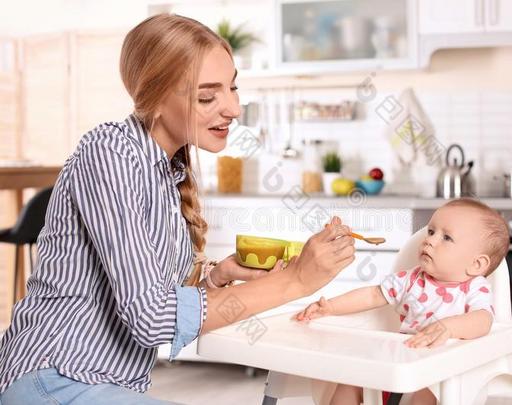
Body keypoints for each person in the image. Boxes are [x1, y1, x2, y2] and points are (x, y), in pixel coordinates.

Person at [0, 14, 355, 405]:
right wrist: (296, 281)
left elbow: (151, 299)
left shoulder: (166, 175)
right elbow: (150, 318)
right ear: (155, 96)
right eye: (207, 96)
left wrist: (215, 280)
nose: (234, 108)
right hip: (53, 379)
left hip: (100, 385)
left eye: (233, 88)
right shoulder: (110, 153)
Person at [295, 198, 509, 405]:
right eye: (431, 232)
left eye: (446, 238)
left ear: (476, 264)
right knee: (350, 382)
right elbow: (373, 295)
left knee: (426, 394)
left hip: (440, 371)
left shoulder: (473, 287)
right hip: (399, 360)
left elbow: (483, 320)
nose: (430, 240)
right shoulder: (412, 279)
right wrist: (330, 307)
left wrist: (448, 328)